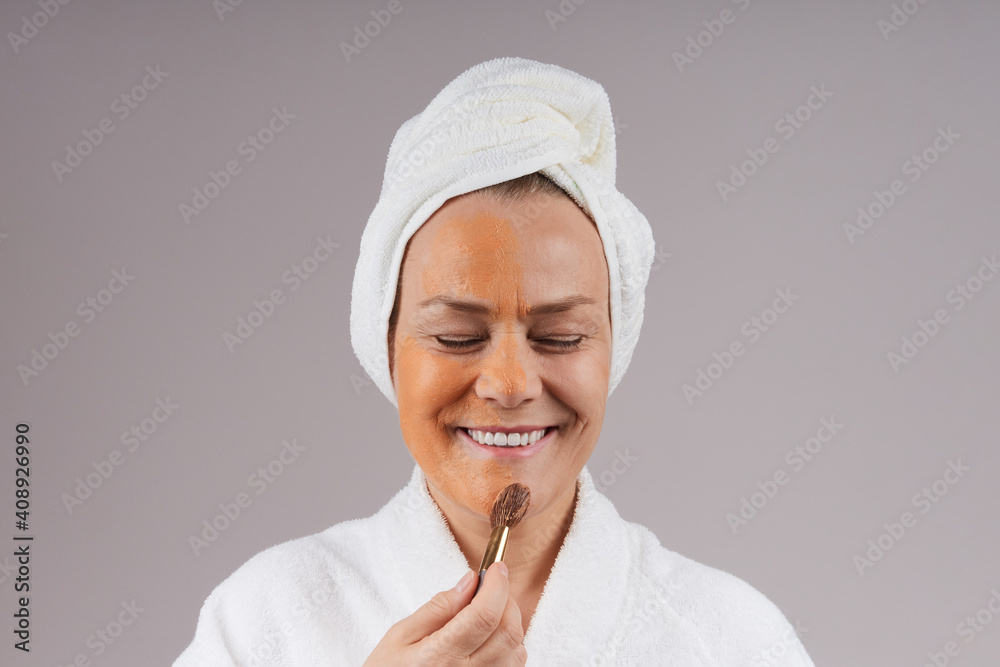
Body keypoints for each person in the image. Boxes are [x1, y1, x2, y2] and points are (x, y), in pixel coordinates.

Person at [174, 56, 814, 666]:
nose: (510, 384)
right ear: (384, 344)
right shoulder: (269, 618)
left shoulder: (732, 638)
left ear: (614, 348)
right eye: (456, 336)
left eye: (561, 337)